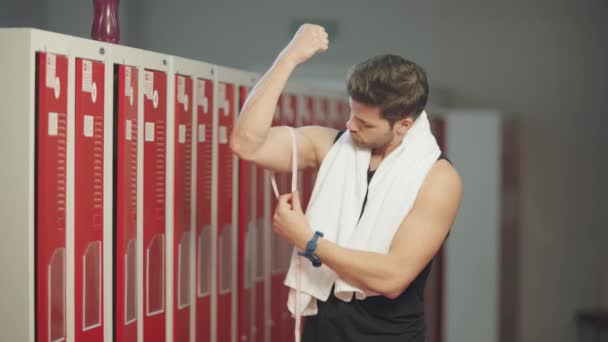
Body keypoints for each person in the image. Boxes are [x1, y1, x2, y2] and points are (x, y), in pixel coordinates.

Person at [230, 23, 463, 342]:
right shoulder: (331, 147)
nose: (350, 126)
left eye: (365, 123)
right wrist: (288, 59)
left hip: (388, 335)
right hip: (323, 327)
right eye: (351, 113)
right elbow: (247, 143)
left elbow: (393, 278)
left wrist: (309, 241)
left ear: (404, 125)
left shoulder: (438, 179)